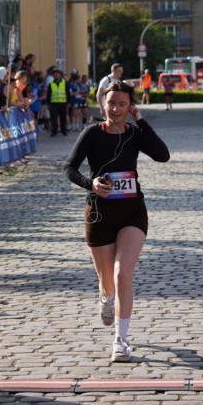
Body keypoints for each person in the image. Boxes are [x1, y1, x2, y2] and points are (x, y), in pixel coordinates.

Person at [64, 81, 170, 362]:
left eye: (122, 104)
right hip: (99, 213)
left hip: (132, 211)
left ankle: (121, 340)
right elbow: (69, 168)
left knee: (124, 273)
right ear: (103, 104)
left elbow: (163, 155)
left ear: (130, 106)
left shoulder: (135, 133)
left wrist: (141, 119)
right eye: (111, 103)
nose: (115, 109)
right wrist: (91, 183)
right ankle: (106, 298)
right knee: (107, 280)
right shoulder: (91, 134)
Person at [47, 67, 69, 136]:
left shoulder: (64, 83)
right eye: (55, 74)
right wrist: (48, 103)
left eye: (57, 74)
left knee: (63, 117)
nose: (56, 75)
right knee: (53, 118)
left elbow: (67, 93)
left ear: (60, 75)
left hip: (62, 103)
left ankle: (63, 130)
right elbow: (48, 94)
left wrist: (68, 102)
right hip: (53, 103)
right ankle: (54, 131)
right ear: (53, 75)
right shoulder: (51, 84)